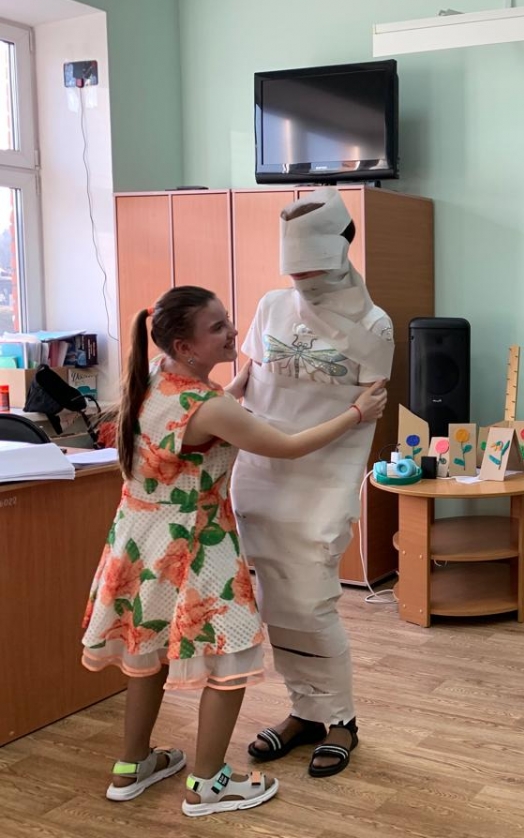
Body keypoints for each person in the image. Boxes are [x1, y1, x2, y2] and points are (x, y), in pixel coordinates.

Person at [80, 285, 386, 817]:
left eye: (229, 320)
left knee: (146, 654)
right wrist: (357, 413)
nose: (234, 332)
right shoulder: (210, 407)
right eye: (218, 327)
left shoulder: (154, 376)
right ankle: (208, 784)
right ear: (185, 346)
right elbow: (286, 446)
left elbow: (210, 409)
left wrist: (244, 382)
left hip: (138, 544)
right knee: (231, 660)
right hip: (195, 550)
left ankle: (131, 766)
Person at [233, 187, 395, 778]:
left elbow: (365, 410)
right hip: (260, 472)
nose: (299, 279)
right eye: (293, 269)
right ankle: (304, 711)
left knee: (312, 600)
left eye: (310, 268)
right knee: (276, 601)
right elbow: (247, 380)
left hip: (323, 477)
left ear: (341, 248)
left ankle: (341, 719)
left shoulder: (374, 325)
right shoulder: (272, 306)